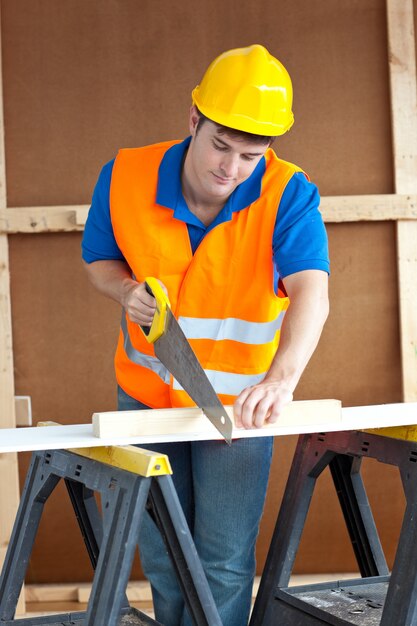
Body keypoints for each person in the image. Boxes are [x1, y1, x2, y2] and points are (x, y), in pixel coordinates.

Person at [82, 44, 329, 626]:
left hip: (238, 408)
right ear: (193, 119)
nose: (231, 168)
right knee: (165, 559)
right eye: (219, 145)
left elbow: (312, 295)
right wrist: (125, 292)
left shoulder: (288, 194)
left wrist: (282, 382)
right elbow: (100, 259)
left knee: (222, 561)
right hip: (147, 398)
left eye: (250, 155)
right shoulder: (125, 174)